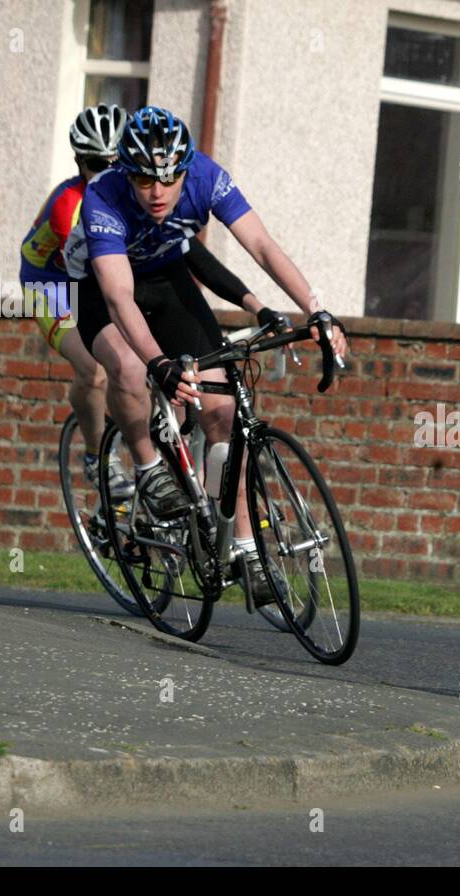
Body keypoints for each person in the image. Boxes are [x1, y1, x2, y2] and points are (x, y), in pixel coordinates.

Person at [64, 105, 348, 605]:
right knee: (129, 366)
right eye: (146, 181)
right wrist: (160, 364)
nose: (158, 192)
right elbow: (118, 298)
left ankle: (244, 548)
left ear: (185, 169)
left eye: (169, 179)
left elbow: (260, 243)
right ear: (127, 174)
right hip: (102, 288)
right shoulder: (103, 196)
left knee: (222, 413)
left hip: (169, 281)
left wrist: (316, 310)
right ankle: (149, 466)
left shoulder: (206, 177)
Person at [20, 104, 259, 501]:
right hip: (55, 284)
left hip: (108, 282)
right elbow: (104, 288)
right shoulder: (74, 205)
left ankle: (169, 462)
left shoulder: (130, 193)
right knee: (98, 369)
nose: (105, 170)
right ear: (79, 161)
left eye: (114, 161)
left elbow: (184, 251)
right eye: (95, 162)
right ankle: (100, 457)